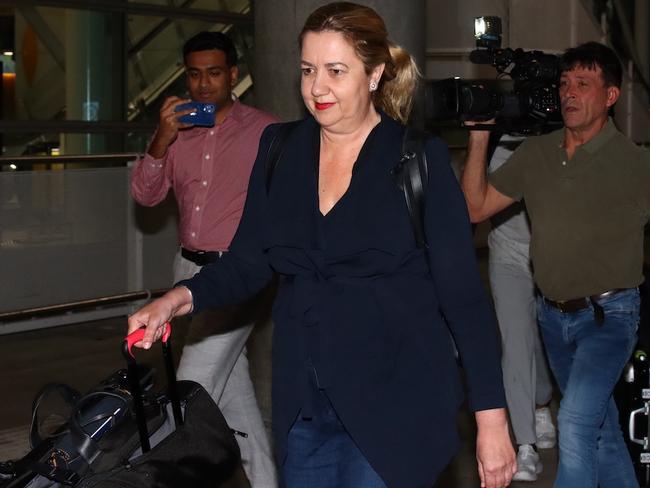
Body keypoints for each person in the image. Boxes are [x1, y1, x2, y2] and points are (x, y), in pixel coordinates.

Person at [128, 3, 516, 487]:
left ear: (374, 75)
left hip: (396, 399)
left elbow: (464, 300)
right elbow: (250, 260)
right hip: (305, 405)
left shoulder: (418, 158)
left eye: (336, 71)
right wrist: (178, 299)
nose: (316, 88)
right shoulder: (280, 149)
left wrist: (492, 419)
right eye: (309, 70)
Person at [461, 41, 650, 488]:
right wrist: (478, 135)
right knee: (599, 432)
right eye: (565, 83)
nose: (569, 92)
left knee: (577, 426)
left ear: (610, 96)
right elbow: (475, 207)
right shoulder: (537, 153)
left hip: (610, 318)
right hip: (554, 319)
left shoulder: (635, 164)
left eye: (583, 84)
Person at [130, 31, 279, 488]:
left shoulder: (265, 131)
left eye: (214, 73)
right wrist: (161, 138)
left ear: (233, 75)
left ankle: (150, 476)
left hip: (236, 275)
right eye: (195, 74)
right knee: (235, 398)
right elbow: (146, 194)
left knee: (189, 389)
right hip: (186, 270)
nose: (203, 84)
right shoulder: (177, 132)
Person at [486, 135, 556, 482]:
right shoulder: (495, 136)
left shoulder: (565, 134)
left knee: (543, 339)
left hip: (555, 249)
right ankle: (525, 445)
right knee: (515, 342)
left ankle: (541, 401)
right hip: (507, 252)